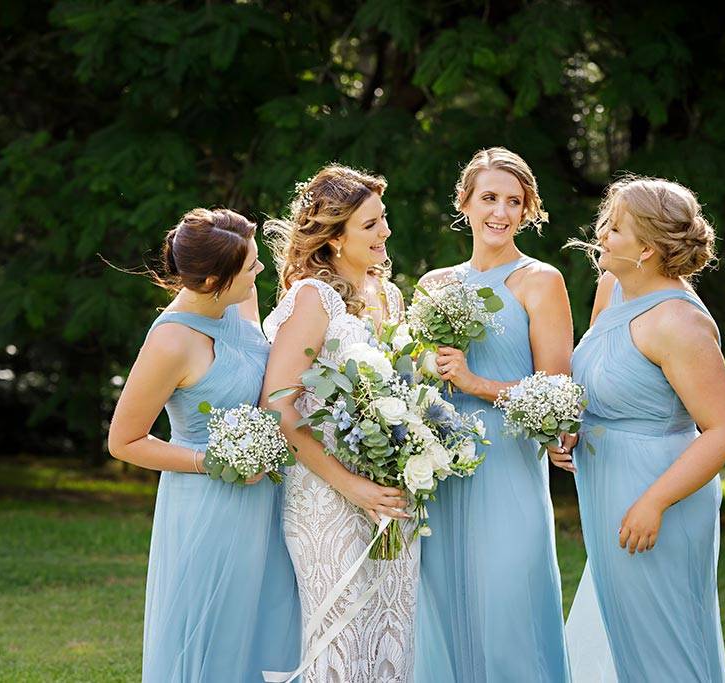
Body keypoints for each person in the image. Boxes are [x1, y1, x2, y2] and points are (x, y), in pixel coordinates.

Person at [552, 176, 725, 682]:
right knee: (620, 635)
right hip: (607, 488)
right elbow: (594, 375)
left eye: (615, 229)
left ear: (649, 250)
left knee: (663, 644)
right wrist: (569, 427)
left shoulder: (678, 324)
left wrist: (654, 501)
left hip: (659, 494)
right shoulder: (613, 286)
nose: (600, 236)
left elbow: (723, 429)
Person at [107, 208, 300, 683]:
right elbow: (124, 441)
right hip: (208, 507)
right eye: (251, 264)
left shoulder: (241, 298)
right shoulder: (171, 343)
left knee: (270, 630)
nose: (260, 270)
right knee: (214, 635)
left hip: (267, 497)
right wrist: (214, 461)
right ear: (214, 279)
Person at [414, 147, 573, 682]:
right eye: (488, 198)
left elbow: (556, 391)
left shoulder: (541, 280)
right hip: (438, 467)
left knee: (509, 606)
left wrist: (474, 382)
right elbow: (413, 375)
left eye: (513, 200)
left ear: (528, 210)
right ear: (465, 203)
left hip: (506, 464)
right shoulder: (434, 284)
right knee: (440, 606)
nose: (500, 212)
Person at [260, 164, 416, 683]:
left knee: (396, 630)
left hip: (389, 490)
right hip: (326, 495)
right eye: (370, 225)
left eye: (384, 219)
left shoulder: (388, 296)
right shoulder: (312, 299)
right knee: (341, 637)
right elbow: (279, 407)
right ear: (333, 237)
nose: (385, 232)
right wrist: (353, 487)